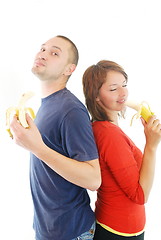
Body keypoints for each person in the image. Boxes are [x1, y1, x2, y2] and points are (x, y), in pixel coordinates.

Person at [10, 35, 101, 240]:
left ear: (69, 69)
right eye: (42, 49)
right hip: (47, 230)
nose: (43, 54)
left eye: (54, 53)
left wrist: (37, 147)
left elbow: (93, 179)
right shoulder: (46, 105)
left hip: (72, 233)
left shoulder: (71, 110)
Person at [82, 60, 161, 240]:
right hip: (118, 232)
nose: (123, 93)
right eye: (113, 89)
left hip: (123, 228)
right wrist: (151, 145)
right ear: (96, 96)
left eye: (124, 85)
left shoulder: (105, 128)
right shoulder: (109, 134)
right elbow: (140, 195)